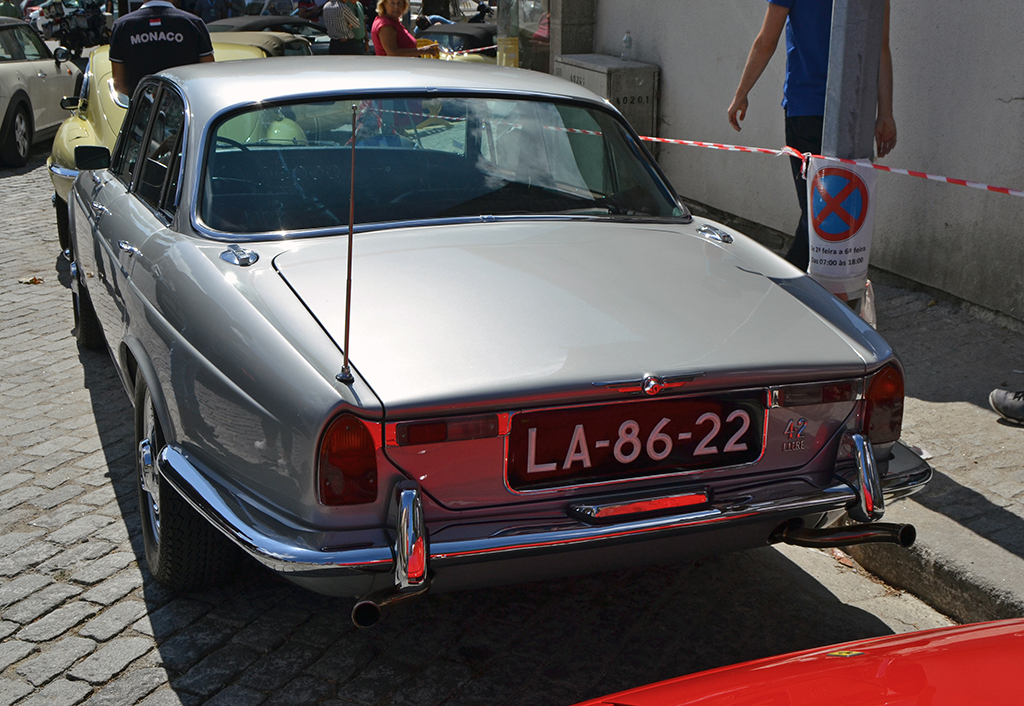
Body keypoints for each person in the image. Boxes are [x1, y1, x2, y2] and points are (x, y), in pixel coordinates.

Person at [727, 0, 896, 271]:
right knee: (832, 214)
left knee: (816, 213)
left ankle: (791, 282)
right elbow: (881, 48)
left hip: (806, 110)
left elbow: (766, 42)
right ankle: (819, 284)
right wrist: (885, 112)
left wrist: (741, 94)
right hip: (855, 114)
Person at [108, 0, 215, 98]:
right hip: (188, 108)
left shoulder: (122, 26)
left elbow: (119, 85)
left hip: (144, 109)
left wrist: (144, 104)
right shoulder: (193, 23)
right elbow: (209, 77)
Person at [371, 0, 438, 57]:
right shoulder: (386, 25)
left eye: (399, 3)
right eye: (392, 3)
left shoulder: (393, 21)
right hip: (392, 67)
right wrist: (421, 50)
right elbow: (392, 53)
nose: (396, 7)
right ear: (384, 4)